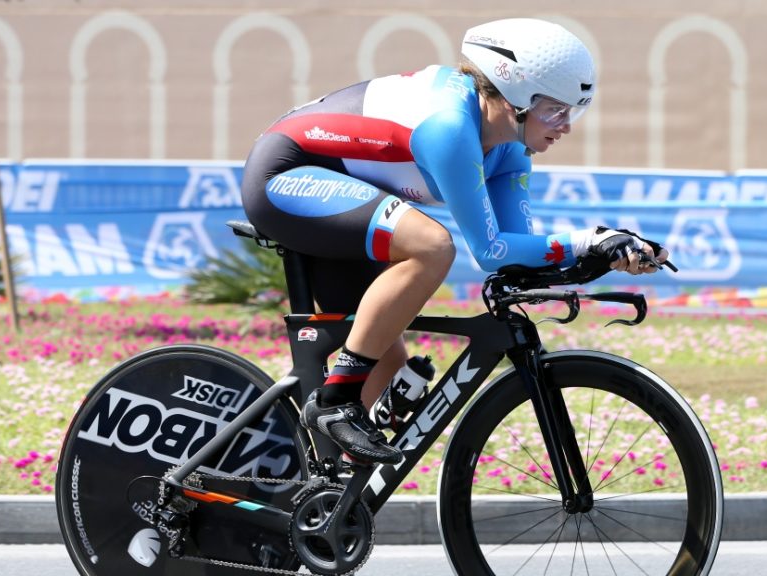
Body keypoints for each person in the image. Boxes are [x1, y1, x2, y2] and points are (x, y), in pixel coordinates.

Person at [240, 18, 668, 465]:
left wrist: (609, 253)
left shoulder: (510, 148)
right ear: (517, 96)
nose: (566, 126)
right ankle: (333, 401)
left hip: (343, 195)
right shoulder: (450, 127)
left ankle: (325, 513)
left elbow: (516, 252)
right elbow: (489, 251)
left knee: (376, 415)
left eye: (573, 112)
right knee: (431, 244)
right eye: (556, 110)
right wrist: (588, 240)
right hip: (285, 175)